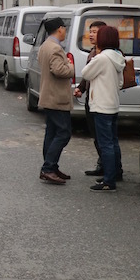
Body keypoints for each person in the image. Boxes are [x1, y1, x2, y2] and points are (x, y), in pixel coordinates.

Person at [80, 25, 125, 192]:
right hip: (113, 104)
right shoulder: (118, 57)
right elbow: (120, 83)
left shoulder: (101, 58)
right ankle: (114, 174)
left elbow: (85, 73)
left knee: (105, 143)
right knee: (112, 142)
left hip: (100, 105)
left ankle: (108, 180)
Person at [36, 17, 79, 185]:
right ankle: (48, 167)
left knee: (52, 133)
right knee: (64, 133)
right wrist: (70, 66)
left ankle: (51, 167)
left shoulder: (45, 46)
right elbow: (58, 70)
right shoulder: (55, 48)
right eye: (64, 29)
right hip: (56, 97)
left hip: (49, 95)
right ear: (59, 29)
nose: (65, 32)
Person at [75, 20, 108, 178]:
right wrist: (80, 89)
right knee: (96, 134)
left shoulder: (105, 55)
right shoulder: (93, 52)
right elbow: (86, 77)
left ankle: (111, 168)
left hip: (101, 99)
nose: (91, 35)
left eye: (95, 32)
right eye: (91, 31)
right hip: (91, 97)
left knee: (105, 137)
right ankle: (103, 164)